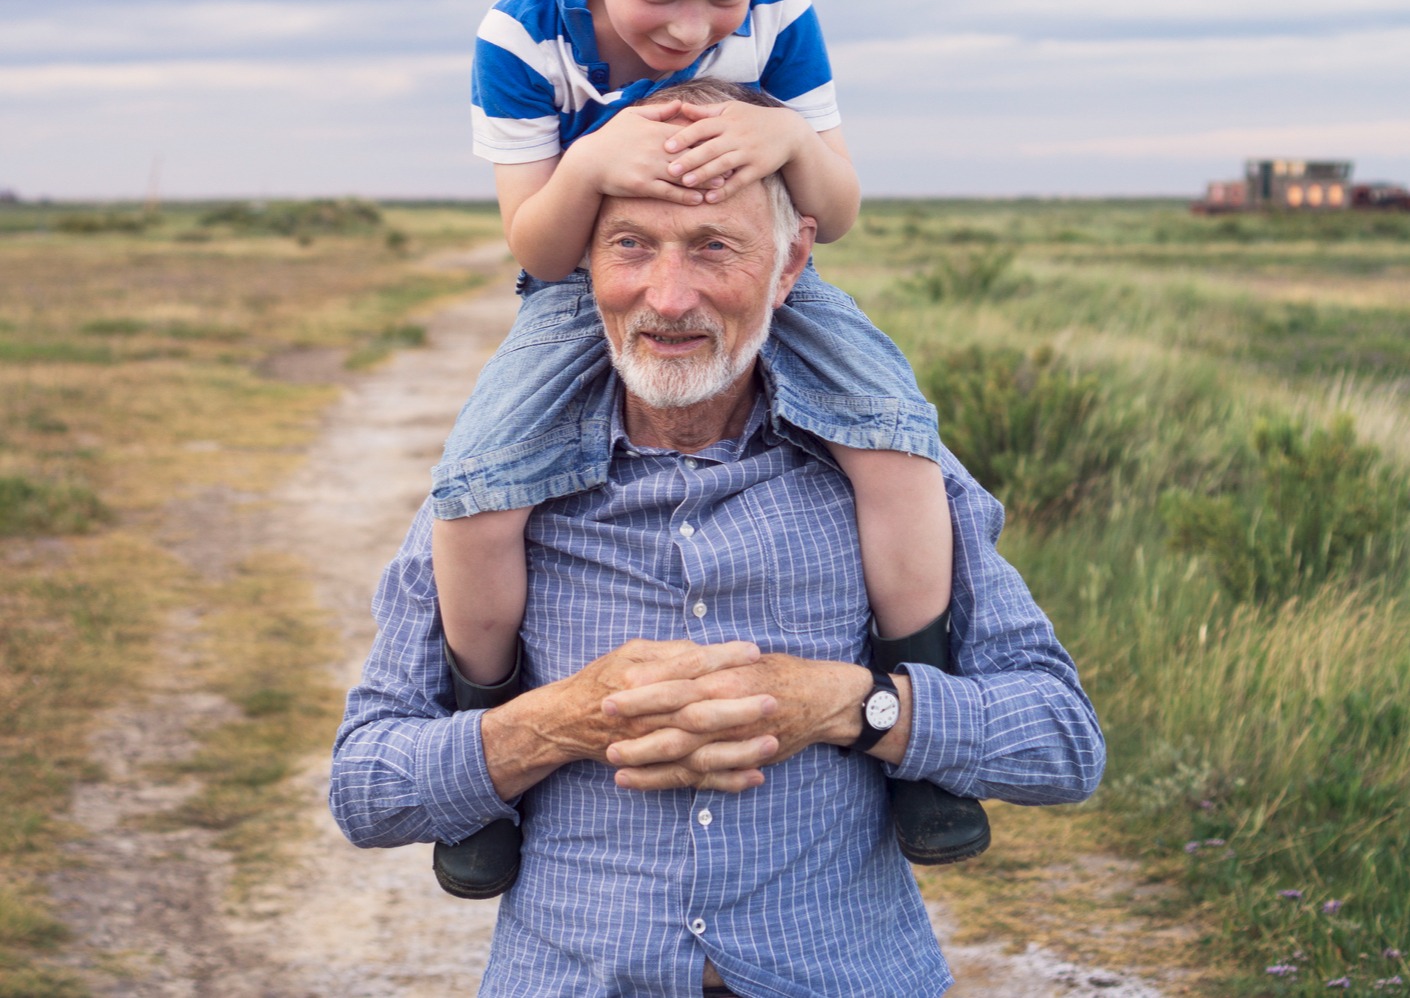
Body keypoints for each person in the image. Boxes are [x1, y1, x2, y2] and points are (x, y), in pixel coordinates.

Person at [330, 163, 1105, 996]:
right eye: (630, 246)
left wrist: (854, 705)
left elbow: (1063, 742)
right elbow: (366, 786)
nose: (668, 297)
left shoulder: (897, 473)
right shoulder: (492, 488)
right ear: (583, 262)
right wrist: (555, 723)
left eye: (714, 248)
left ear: (790, 262)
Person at [427, 0, 983, 898]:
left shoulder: (783, 10)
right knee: (479, 483)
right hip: (582, 287)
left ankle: (921, 712)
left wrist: (787, 144)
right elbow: (532, 245)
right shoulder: (520, 36)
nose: (693, 28)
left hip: (770, 268)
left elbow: (839, 210)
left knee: (897, 434)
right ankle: (485, 743)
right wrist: (593, 164)